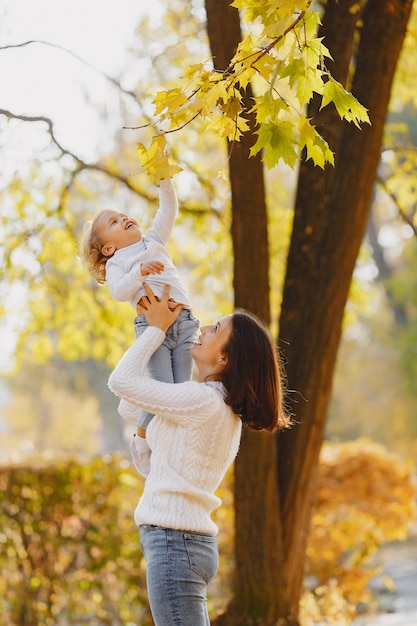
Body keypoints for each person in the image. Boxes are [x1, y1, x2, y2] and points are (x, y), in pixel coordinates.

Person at [108, 283, 289, 626]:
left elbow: (120, 382)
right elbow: (130, 406)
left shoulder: (202, 402)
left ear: (225, 358)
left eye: (216, 329)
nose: (204, 327)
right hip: (182, 542)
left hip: (175, 543)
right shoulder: (209, 402)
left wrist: (156, 329)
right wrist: (160, 343)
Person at [81, 178, 198, 477]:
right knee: (160, 392)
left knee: (180, 391)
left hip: (184, 324)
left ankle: (173, 449)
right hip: (152, 329)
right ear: (108, 247)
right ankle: (142, 439)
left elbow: (168, 208)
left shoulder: (154, 240)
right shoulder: (118, 263)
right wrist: (139, 271)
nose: (124, 219)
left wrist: (166, 181)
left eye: (123, 215)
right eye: (115, 222)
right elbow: (119, 291)